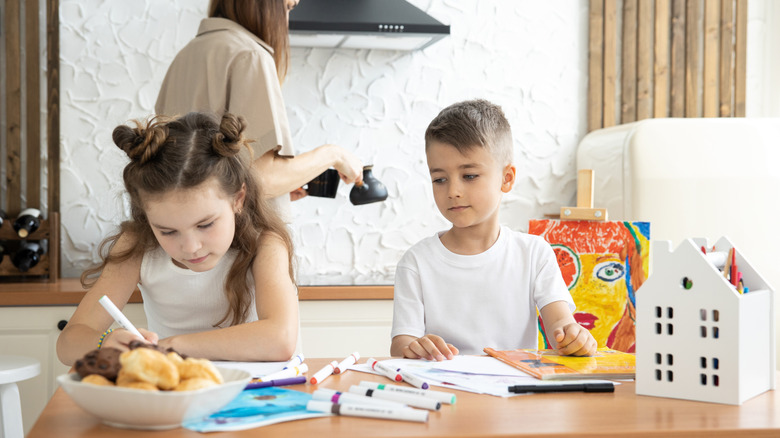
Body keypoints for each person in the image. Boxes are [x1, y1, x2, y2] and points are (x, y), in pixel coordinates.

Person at [56, 112, 299, 366]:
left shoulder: (265, 244)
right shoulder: (138, 245)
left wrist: (171, 345)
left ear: (238, 199)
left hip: (254, 395)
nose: (191, 247)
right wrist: (105, 341)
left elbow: (280, 339)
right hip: (173, 395)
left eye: (205, 224)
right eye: (167, 231)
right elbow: (67, 344)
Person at [390, 99, 597, 361]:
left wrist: (574, 338)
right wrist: (415, 348)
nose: (453, 191)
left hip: (514, 395)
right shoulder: (416, 263)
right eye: (440, 179)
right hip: (447, 394)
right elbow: (401, 344)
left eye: (469, 176)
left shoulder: (534, 254)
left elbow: (561, 325)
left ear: (507, 178)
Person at [155, 0, 363, 218]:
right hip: (240, 246)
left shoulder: (184, 57)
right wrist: (333, 154)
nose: (287, 19)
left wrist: (280, 190)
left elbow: (209, 176)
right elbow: (260, 179)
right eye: (289, 7)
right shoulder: (250, 55)